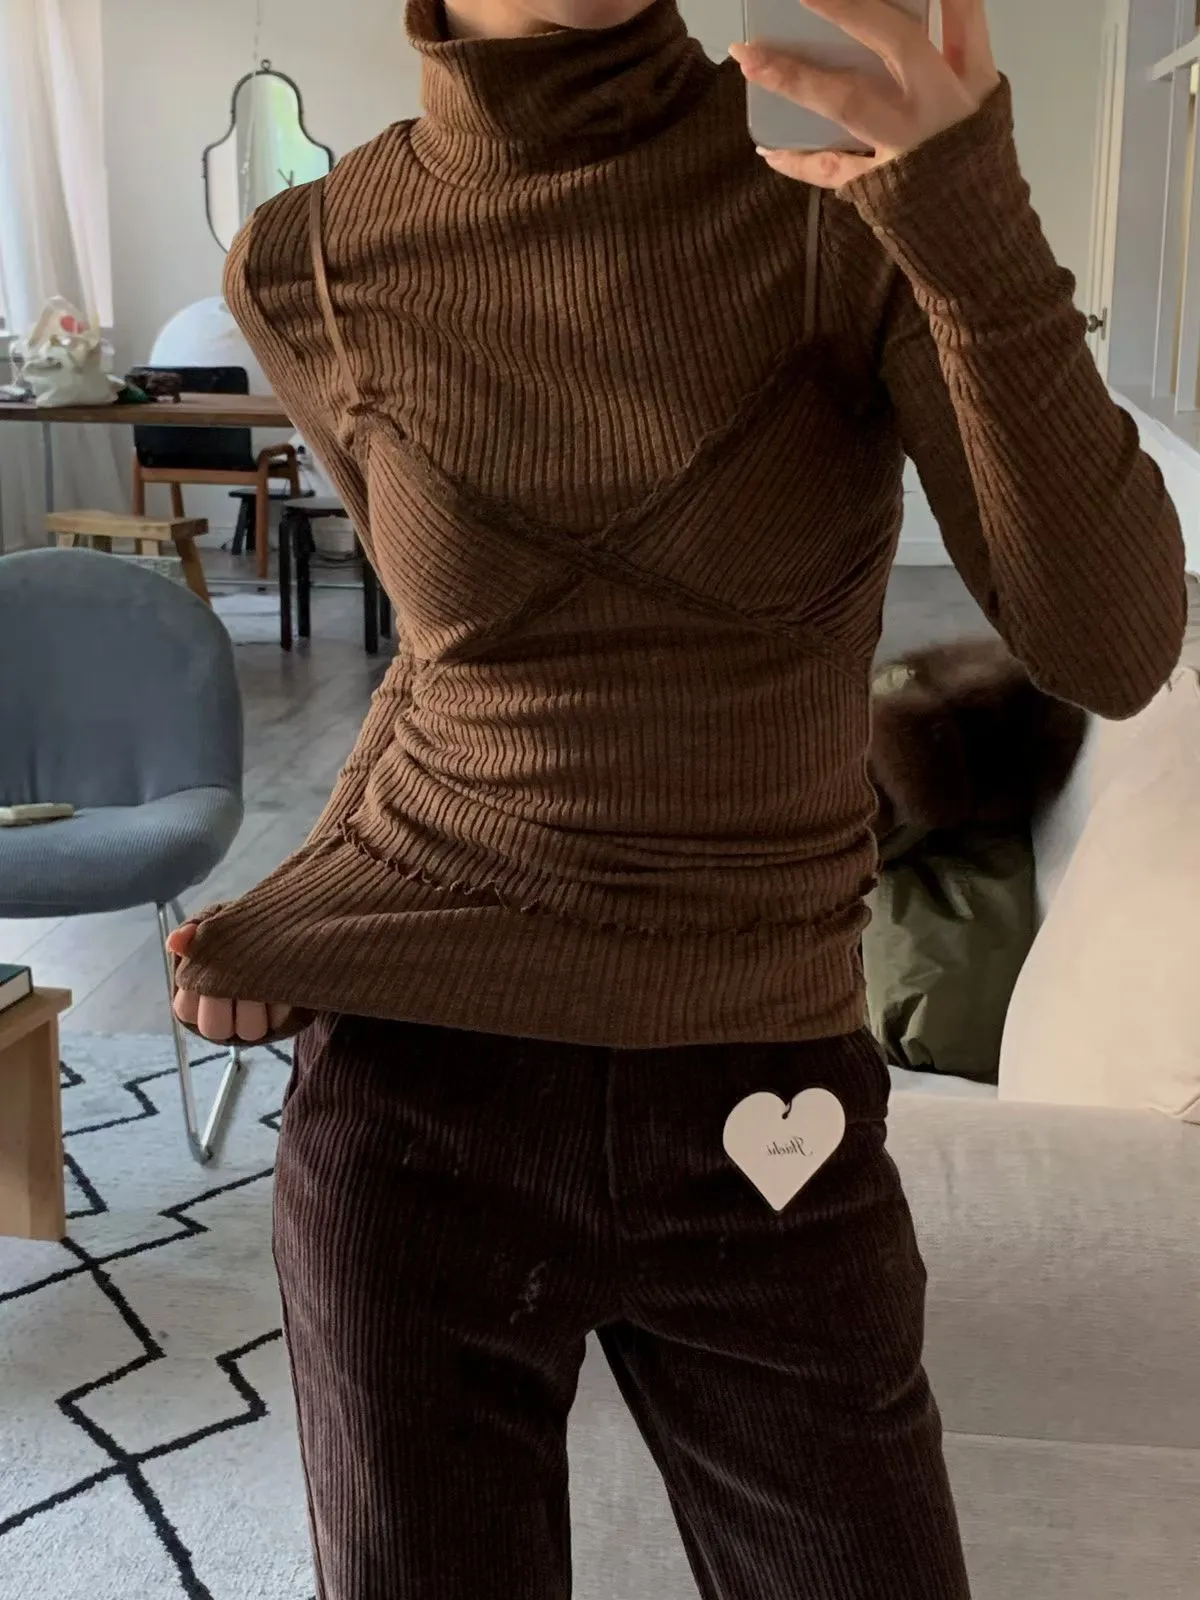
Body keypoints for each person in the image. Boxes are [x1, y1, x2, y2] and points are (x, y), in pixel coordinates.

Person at [170, 0, 1186, 1594]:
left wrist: (972, 221)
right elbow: (448, 661)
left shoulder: (832, 197)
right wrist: (306, 894)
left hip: (766, 1107)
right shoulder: (306, 263)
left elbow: (1113, 646)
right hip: (414, 1111)